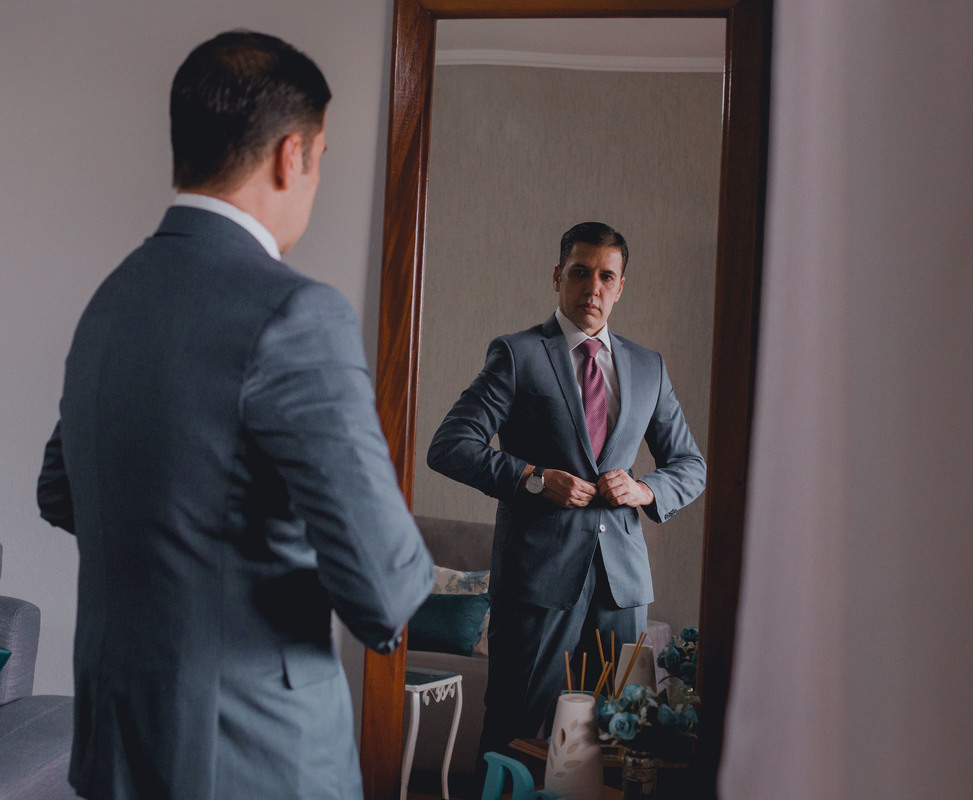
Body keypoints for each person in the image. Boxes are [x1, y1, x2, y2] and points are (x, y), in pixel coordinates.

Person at [36, 30, 433, 800]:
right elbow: (384, 587)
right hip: (255, 756)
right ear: (292, 154)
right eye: (321, 158)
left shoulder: (112, 300)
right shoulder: (297, 313)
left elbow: (63, 491)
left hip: (119, 746)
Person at [427, 221, 706, 765]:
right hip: (536, 580)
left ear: (620, 286)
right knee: (514, 726)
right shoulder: (517, 354)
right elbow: (450, 445)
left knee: (617, 739)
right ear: (558, 276)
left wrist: (644, 489)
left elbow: (690, 465)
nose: (592, 288)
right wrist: (534, 477)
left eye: (606, 276)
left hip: (622, 586)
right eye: (580, 272)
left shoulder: (648, 367)